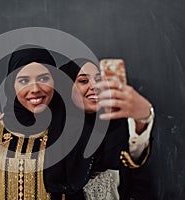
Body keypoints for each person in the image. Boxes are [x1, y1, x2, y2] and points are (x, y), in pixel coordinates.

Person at [0, 46, 88, 199]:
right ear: (12, 86)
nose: (35, 88)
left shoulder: (70, 129)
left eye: (43, 79)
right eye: (24, 80)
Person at [60, 59, 154, 200]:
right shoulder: (54, 134)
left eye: (99, 80)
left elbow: (135, 161)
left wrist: (142, 118)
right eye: (83, 81)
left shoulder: (118, 125)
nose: (94, 86)